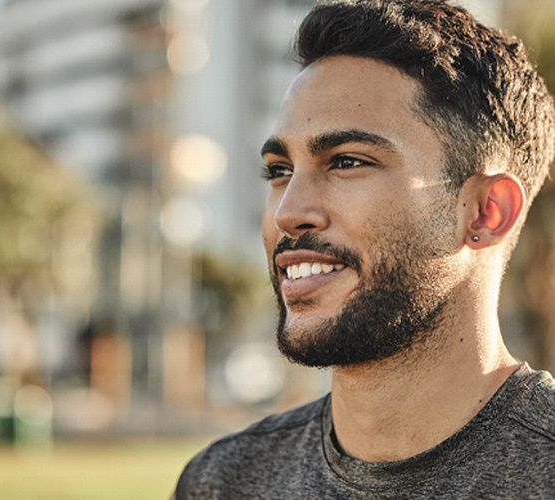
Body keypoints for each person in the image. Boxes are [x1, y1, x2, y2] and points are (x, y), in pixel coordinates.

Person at [173, 0, 555, 498]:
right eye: (279, 171)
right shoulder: (224, 481)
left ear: (486, 212)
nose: (288, 212)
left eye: (347, 161)